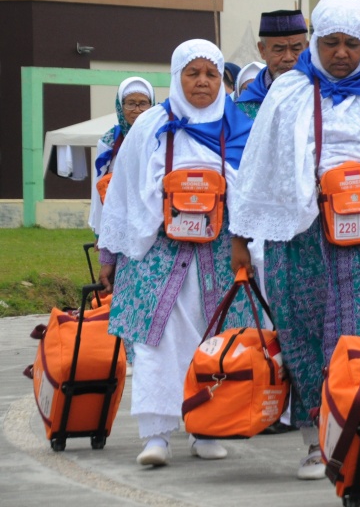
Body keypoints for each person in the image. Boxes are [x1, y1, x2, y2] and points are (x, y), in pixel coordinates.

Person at [229, 0, 360, 480]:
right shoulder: (288, 93)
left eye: (352, 44)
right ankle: (317, 442)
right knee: (303, 332)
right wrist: (242, 236)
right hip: (303, 240)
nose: (341, 53)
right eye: (331, 42)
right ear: (315, 42)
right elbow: (257, 167)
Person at [97, 39, 254, 467]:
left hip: (219, 258)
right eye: (192, 73)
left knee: (216, 340)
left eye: (211, 74)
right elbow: (122, 193)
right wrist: (109, 255)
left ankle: (206, 428)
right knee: (156, 341)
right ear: (176, 77)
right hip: (158, 257)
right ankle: (156, 436)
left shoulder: (239, 128)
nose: (202, 82)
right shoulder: (150, 126)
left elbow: (255, 192)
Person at [89, 76, 155, 238]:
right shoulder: (109, 141)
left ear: (152, 105)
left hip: (150, 216)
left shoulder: (159, 137)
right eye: (130, 103)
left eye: (143, 103)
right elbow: (98, 187)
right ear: (120, 106)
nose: (137, 110)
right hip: (118, 215)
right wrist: (99, 231)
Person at [234, 9, 308, 119]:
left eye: (296, 49)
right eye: (279, 50)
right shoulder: (243, 109)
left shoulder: (322, 94)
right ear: (262, 50)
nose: (288, 58)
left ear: (307, 48)